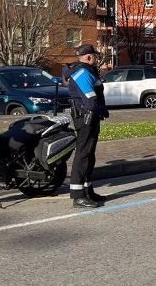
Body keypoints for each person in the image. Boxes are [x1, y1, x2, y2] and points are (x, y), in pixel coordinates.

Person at [67, 44, 110, 208]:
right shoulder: (82, 73)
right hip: (85, 118)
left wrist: (102, 111)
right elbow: (90, 99)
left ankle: (87, 190)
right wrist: (98, 110)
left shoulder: (87, 71)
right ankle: (78, 196)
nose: (97, 58)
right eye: (95, 56)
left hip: (91, 117)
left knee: (89, 155)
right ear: (89, 57)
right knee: (83, 155)